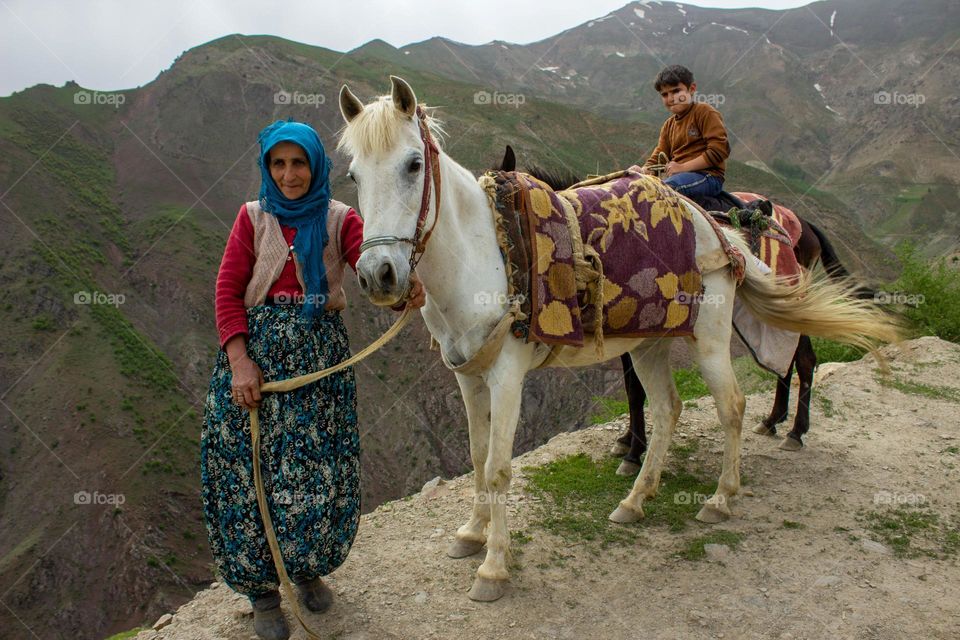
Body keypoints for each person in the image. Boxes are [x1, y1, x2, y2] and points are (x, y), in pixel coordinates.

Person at [200, 120, 424, 640]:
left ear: (315, 165)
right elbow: (227, 292)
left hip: (318, 368)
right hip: (256, 366)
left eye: (298, 163)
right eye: (278, 164)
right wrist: (240, 362)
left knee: (312, 474)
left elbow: (373, 269)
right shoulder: (252, 218)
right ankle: (261, 593)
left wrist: (404, 291)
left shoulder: (341, 219)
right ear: (267, 168)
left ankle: (304, 570)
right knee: (246, 477)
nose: (289, 174)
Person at [641, 65, 730, 200]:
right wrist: (642, 171)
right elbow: (658, 155)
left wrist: (682, 167)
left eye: (676, 91)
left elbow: (719, 150)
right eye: (665, 94)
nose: (671, 98)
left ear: (691, 89)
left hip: (708, 176)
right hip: (679, 177)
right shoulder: (668, 125)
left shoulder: (704, 112)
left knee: (665, 190)